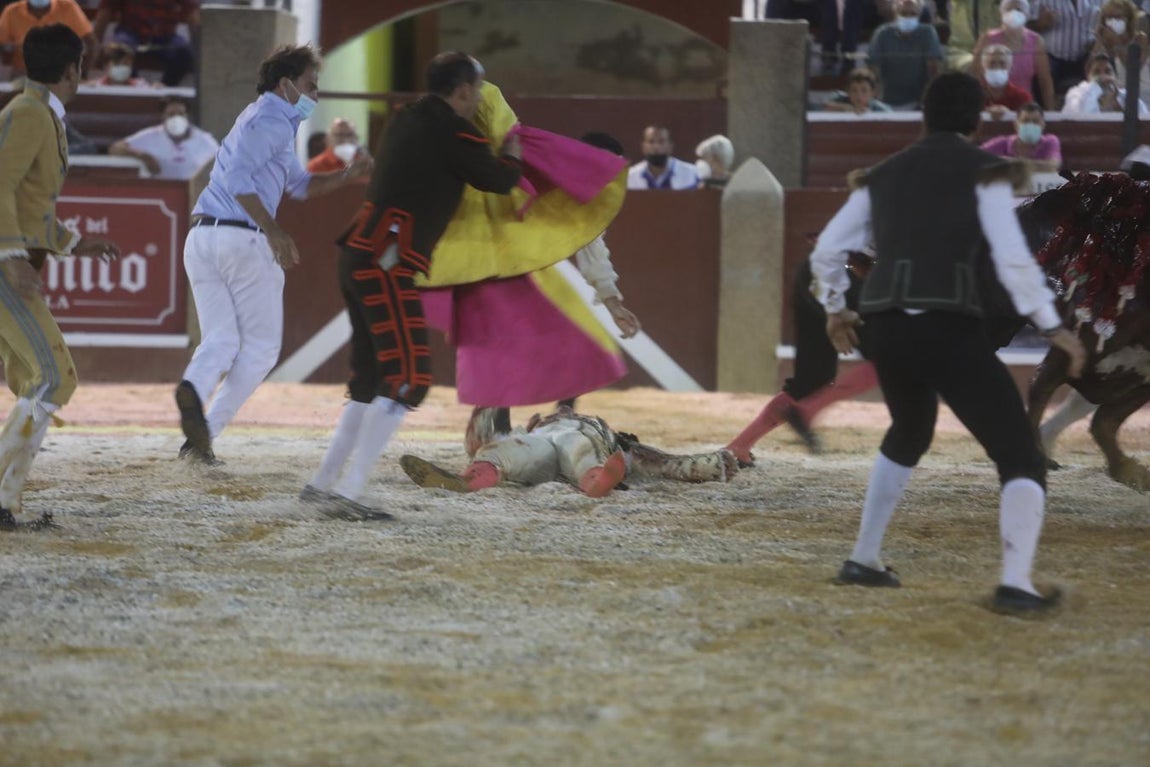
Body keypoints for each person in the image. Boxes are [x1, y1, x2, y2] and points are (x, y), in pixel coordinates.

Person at [809, 71, 1087, 614]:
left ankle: (863, 560)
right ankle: (1015, 583)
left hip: (884, 323)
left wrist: (836, 308)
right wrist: (1052, 326)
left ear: (924, 115)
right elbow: (1011, 259)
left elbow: (827, 248)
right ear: (977, 119)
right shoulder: (985, 171)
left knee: (910, 429)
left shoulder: (882, 176)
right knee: (1020, 456)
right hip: (946, 323)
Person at [300, 52, 523, 521]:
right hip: (387, 259)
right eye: (477, 90)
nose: (479, 98)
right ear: (462, 91)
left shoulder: (405, 117)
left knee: (370, 380)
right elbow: (500, 179)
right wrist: (515, 148)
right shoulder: (452, 130)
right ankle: (352, 491)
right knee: (409, 377)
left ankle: (324, 484)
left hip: (359, 252)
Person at [174, 44, 373, 465]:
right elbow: (240, 181)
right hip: (241, 239)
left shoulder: (267, 118)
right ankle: (204, 434)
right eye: (310, 85)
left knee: (222, 339)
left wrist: (347, 176)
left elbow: (299, 186)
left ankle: (193, 389)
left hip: (202, 238)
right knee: (262, 349)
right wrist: (275, 230)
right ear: (285, 84)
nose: (315, 95)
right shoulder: (271, 121)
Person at [0, 24, 120, 531]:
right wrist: (11, 258)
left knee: (34, 378)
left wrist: (72, 243)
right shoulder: (30, 114)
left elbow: (30, 204)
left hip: (15, 256)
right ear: (75, 69)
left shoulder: (37, 112)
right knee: (53, 376)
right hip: (5, 264)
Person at [399, 405, 739, 497]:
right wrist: (715, 464)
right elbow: (668, 465)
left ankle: (470, 479)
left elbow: (665, 464)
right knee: (508, 452)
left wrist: (717, 464)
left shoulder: (536, 431)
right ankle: (596, 482)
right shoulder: (540, 430)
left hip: (552, 446)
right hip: (568, 441)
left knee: (503, 454)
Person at [971, 0, 1056, 109]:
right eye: (1009, 9)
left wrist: (1051, 112)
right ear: (1001, 13)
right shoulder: (987, 38)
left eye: (1019, 9)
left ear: (1027, 14)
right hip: (989, 104)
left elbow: (1045, 81)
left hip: (1023, 105)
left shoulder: (1036, 41)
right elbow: (974, 75)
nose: (1014, 13)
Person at [108, 96, 218, 179]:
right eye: (171, 114)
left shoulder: (204, 140)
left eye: (181, 114)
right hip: (164, 194)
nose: (176, 118)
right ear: (163, 116)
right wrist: (143, 156)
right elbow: (115, 148)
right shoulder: (151, 135)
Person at [92, 0, 198, 87]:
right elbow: (105, 12)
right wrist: (95, 49)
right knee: (119, 50)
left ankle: (165, 90)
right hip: (130, 34)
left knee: (184, 52)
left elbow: (192, 15)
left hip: (165, 37)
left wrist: (203, 51)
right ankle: (137, 87)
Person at [866, 0, 944, 108]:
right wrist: (877, 103)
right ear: (895, 14)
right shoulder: (882, 34)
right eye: (903, 14)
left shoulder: (928, 33)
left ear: (919, 14)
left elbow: (934, 70)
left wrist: (926, 101)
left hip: (918, 103)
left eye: (913, 14)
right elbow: (873, 70)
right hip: (886, 103)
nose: (908, 17)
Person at [0, 0, 98, 76]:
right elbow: (2, 44)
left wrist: (82, 73)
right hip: (23, 76)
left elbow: (92, 43)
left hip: (61, 77)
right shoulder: (12, 11)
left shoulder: (68, 7)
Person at [1029, 0, 1102, 95]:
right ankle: (1047, 108)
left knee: (1104, 67)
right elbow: (1024, 28)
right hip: (1052, 58)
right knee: (1039, 75)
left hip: (1088, 56)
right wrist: (1039, 24)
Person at [1091, 0, 1150, 106]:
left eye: (1117, 17)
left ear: (1128, 19)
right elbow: (1090, 70)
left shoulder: (1140, 39)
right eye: (1108, 17)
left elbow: (1133, 71)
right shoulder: (1103, 41)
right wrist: (1099, 41)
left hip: (1141, 92)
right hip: (1113, 94)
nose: (1112, 21)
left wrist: (1117, 44)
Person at [980, 102, 1062, 171]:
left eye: (1035, 121)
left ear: (1043, 125)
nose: (1030, 125)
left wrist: (1005, 162)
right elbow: (976, 156)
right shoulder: (1003, 142)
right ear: (1016, 124)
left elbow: (1052, 166)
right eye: (1025, 121)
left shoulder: (1050, 141)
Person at [1062, 50, 1150, 114]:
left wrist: (1117, 107)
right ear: (1088, 77)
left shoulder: (1127, 97)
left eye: (1108, 71)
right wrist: (1102, 107)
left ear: (1115, 76)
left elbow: (1144, 124)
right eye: (1097, 72)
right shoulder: (1077, 94)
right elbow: (1075, 124)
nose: (1103, 76)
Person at [626, 125, 700, 190]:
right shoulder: (630, 177)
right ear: (643, 147)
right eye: (651, 142)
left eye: (661, 141)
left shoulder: (692, 173)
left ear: (670, 146)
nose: (656, 147)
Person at [980, 44, 1035, 116]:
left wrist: (1009, 115)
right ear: (983, 67)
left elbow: (1029, 123)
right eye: (992, 63)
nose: (997, 67)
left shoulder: (1022, 97)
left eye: (1002, 64)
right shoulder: (972, 95)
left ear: (1010, 67)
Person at [822, 67, 894, 113]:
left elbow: (891, 115)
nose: (859, 95)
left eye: (864, 90)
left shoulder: (879, 109)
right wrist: (848, 108)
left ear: (873, 93)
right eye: (854, 90)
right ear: (848, 91)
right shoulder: (839, 98)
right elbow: (825, 106)